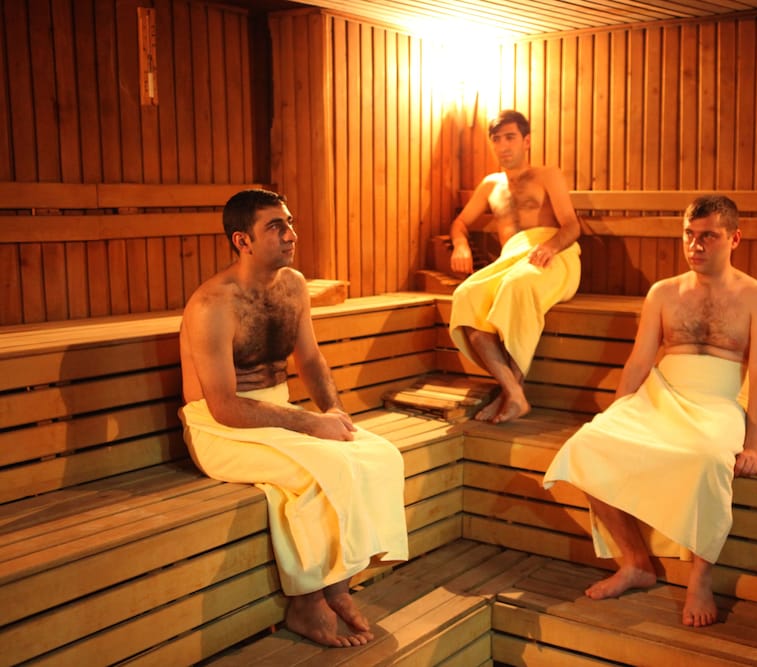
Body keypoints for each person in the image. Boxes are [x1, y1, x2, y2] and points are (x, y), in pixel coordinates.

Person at [177, 189, 408, 647]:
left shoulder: (293, 285)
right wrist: (310, 425)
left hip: (275, 415)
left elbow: (311, 359)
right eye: (275, 227)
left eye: (289, 223)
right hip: (219, 428)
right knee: (328, 469)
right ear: (242, 240)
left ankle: (338, 585)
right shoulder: (212, 305)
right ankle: (307, 602)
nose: (290, 235)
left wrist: (332, 410)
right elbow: (224, 405)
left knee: (382, 455)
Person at [542, 194, 757, 627]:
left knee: (709, 460)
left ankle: (699, 578)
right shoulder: (663, 292)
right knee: (588, 445)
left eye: (708, 236)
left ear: (735, 238)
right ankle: (636, 562)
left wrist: (755, 447)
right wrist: (616, 414)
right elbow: (638, 361)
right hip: (660, 394)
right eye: (689, 235)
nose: (695, 245)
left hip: (718, 403)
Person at [449, 109, 582, 424]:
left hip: (554, 255)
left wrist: (550, 246)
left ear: (527, 141)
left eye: (510, 137)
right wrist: (460, 244)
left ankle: (509, 394)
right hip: (511, 259)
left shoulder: (547, 175)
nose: (503, 145)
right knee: (466, 295)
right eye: (496, 139)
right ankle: (513, 392)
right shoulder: (489, 185)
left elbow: (572, 226)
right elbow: (460, 223)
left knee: (516, 286)